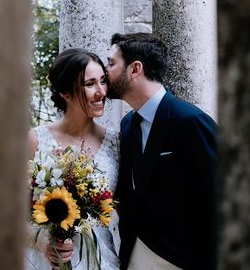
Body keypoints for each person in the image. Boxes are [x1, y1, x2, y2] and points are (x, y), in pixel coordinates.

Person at [107, 32, 218, 270]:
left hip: (184, 260)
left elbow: (216, 203)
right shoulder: (127, 125)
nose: (106, 72)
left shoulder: (191, 122)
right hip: (134, 256)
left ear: (135, 69)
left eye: (111, 63)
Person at [25, 48, 120, 270]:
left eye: (103, 81)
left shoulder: (117, 143)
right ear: (65, 92)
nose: (101, 92)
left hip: (99, 259)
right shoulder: (35, 140)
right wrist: (43, 242)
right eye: (90, 84)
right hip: (44, 261)